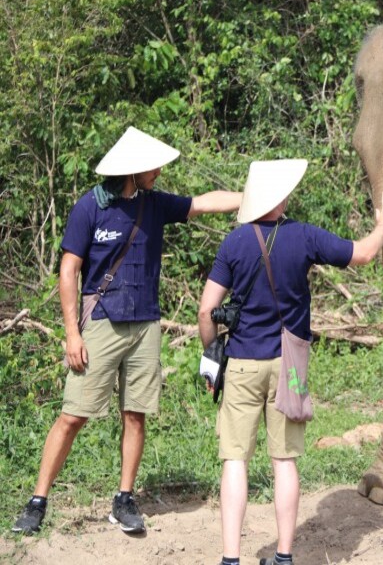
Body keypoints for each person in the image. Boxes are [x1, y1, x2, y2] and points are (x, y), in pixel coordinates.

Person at [11, 127, 242, 535]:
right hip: (100, 324)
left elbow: (203, 204)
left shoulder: (154, 205)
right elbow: (69, 271)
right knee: (73, 416)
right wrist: (71, 333)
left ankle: (124, 498)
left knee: (135, 414)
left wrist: (251, 200)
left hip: (145, 324)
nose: (158, 173)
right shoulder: (90, 208)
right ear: (133, 171)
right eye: (152, 167)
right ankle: (37, 501)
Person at [198, 159, 383, 565]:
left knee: (235, 459)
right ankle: (285, 556)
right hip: (289, 365)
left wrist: (211, 353)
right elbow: (362, 254)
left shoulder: (234, 243)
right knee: (284, 460)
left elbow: (206, 311)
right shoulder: (304, 236)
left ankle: (231, 559)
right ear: (281, 197)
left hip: (242, 363)